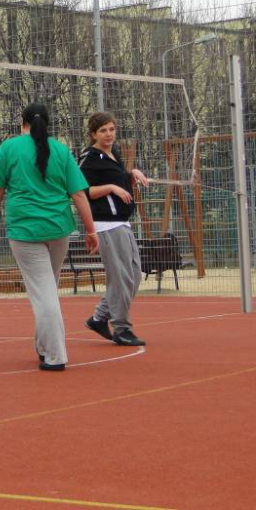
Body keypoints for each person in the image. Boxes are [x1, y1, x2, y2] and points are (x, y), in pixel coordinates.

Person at [0, 103, 98, 372]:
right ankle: (43, 345)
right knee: (47, 289)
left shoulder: (9, 148)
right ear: (47, 123)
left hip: (25, 230)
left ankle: (55, 355)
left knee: (44, 293)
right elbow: (78, 194)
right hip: (58, 228)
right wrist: (91, 229)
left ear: (21, 122)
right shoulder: (60, 149)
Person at [78, 111, 149, 347]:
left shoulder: (113, 153)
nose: (108, 134)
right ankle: (121, 328)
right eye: (103, 131)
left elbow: (119, 179)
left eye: (111, 129)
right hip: (106, 224)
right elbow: (83, 191)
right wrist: (110, 187)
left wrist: (131, 174)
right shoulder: (89, 158)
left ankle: (99, 318)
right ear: (93, 134)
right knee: (121, 278)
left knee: (134, 275)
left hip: (122, 222)